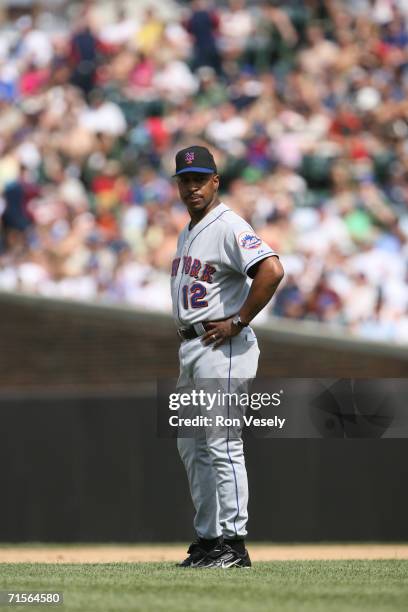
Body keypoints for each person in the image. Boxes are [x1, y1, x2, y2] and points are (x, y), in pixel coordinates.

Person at [170, 145, 284, 568]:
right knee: (191, 446)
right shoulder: (188, 229)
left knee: (221, 443)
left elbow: (271, 269)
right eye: (185, 180)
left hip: (224, 344)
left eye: (200, 179)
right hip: (193, 346)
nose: (192, 186)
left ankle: (235, 545)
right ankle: (208, 541)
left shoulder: (228, 224)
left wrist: (238, 321)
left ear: (216, 181)